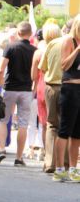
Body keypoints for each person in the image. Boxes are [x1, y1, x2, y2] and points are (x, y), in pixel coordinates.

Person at [0, 22, 37, 166]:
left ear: (18, 33)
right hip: (26, 90)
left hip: (10, 87)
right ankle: (19, 158)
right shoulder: (34, 50)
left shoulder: (10, 47)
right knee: (23, 124)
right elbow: (37, 72)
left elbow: (1, 69)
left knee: (2, 119)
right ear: (30, 34)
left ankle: (1, 149)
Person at [52, 15, 80, 182]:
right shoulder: (69, 41)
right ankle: (59, 168)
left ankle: (74, 169)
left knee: (77, 133)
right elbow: (64, 65)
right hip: (70, 88)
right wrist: (77, 50)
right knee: (65, 130)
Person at [38, 22, 64, 173]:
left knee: (51, 125)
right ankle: (65, 163)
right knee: (67, 126)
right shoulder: (72, 43)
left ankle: (50, 163)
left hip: (52, 87)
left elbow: (42, 68)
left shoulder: (51, 45)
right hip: (70, 86)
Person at [27, 29, 47, 161]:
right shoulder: (55, 50)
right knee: (43, 123)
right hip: (51, 88)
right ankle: (42, 149)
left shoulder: (37, 52)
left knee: (31, 122)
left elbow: (33, 76)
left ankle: (31, 149)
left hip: (37, 89)